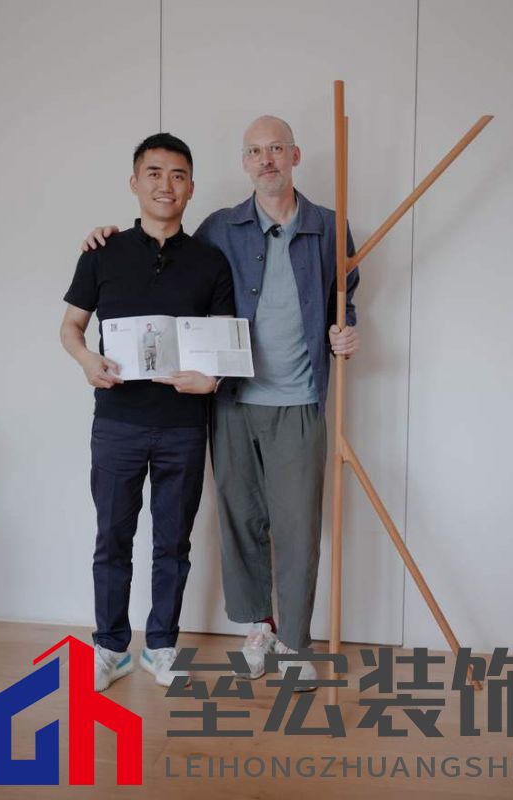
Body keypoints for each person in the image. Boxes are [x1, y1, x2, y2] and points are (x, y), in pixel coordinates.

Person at [81, 116, 360, 687]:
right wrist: (105, 237)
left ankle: (295, 642)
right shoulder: (219, 228)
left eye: (276, 148)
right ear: (244, 162)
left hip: (299, 398)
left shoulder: (330, 228)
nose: (266, 160)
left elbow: (343, 299)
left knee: (298, 529)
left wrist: (344, 332)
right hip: (230, 401)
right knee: (241, 522)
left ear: (295, 155)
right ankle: (259, 626)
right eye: (255, 151)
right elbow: (165, 255)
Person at [61, 133, 235, 692]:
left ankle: (161, 646)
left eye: (178, 175)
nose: (166, 185)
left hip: (183, 426)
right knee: (112, 538)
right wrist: (86, 359)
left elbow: (225, 345)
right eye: (154, 173)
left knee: (172, 543)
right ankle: (110, 647)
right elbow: (71, 326)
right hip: (116, 423)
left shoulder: (210, 262)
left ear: (191, 187)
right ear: (134, 182)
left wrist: (212, 380)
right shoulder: (101, 252)